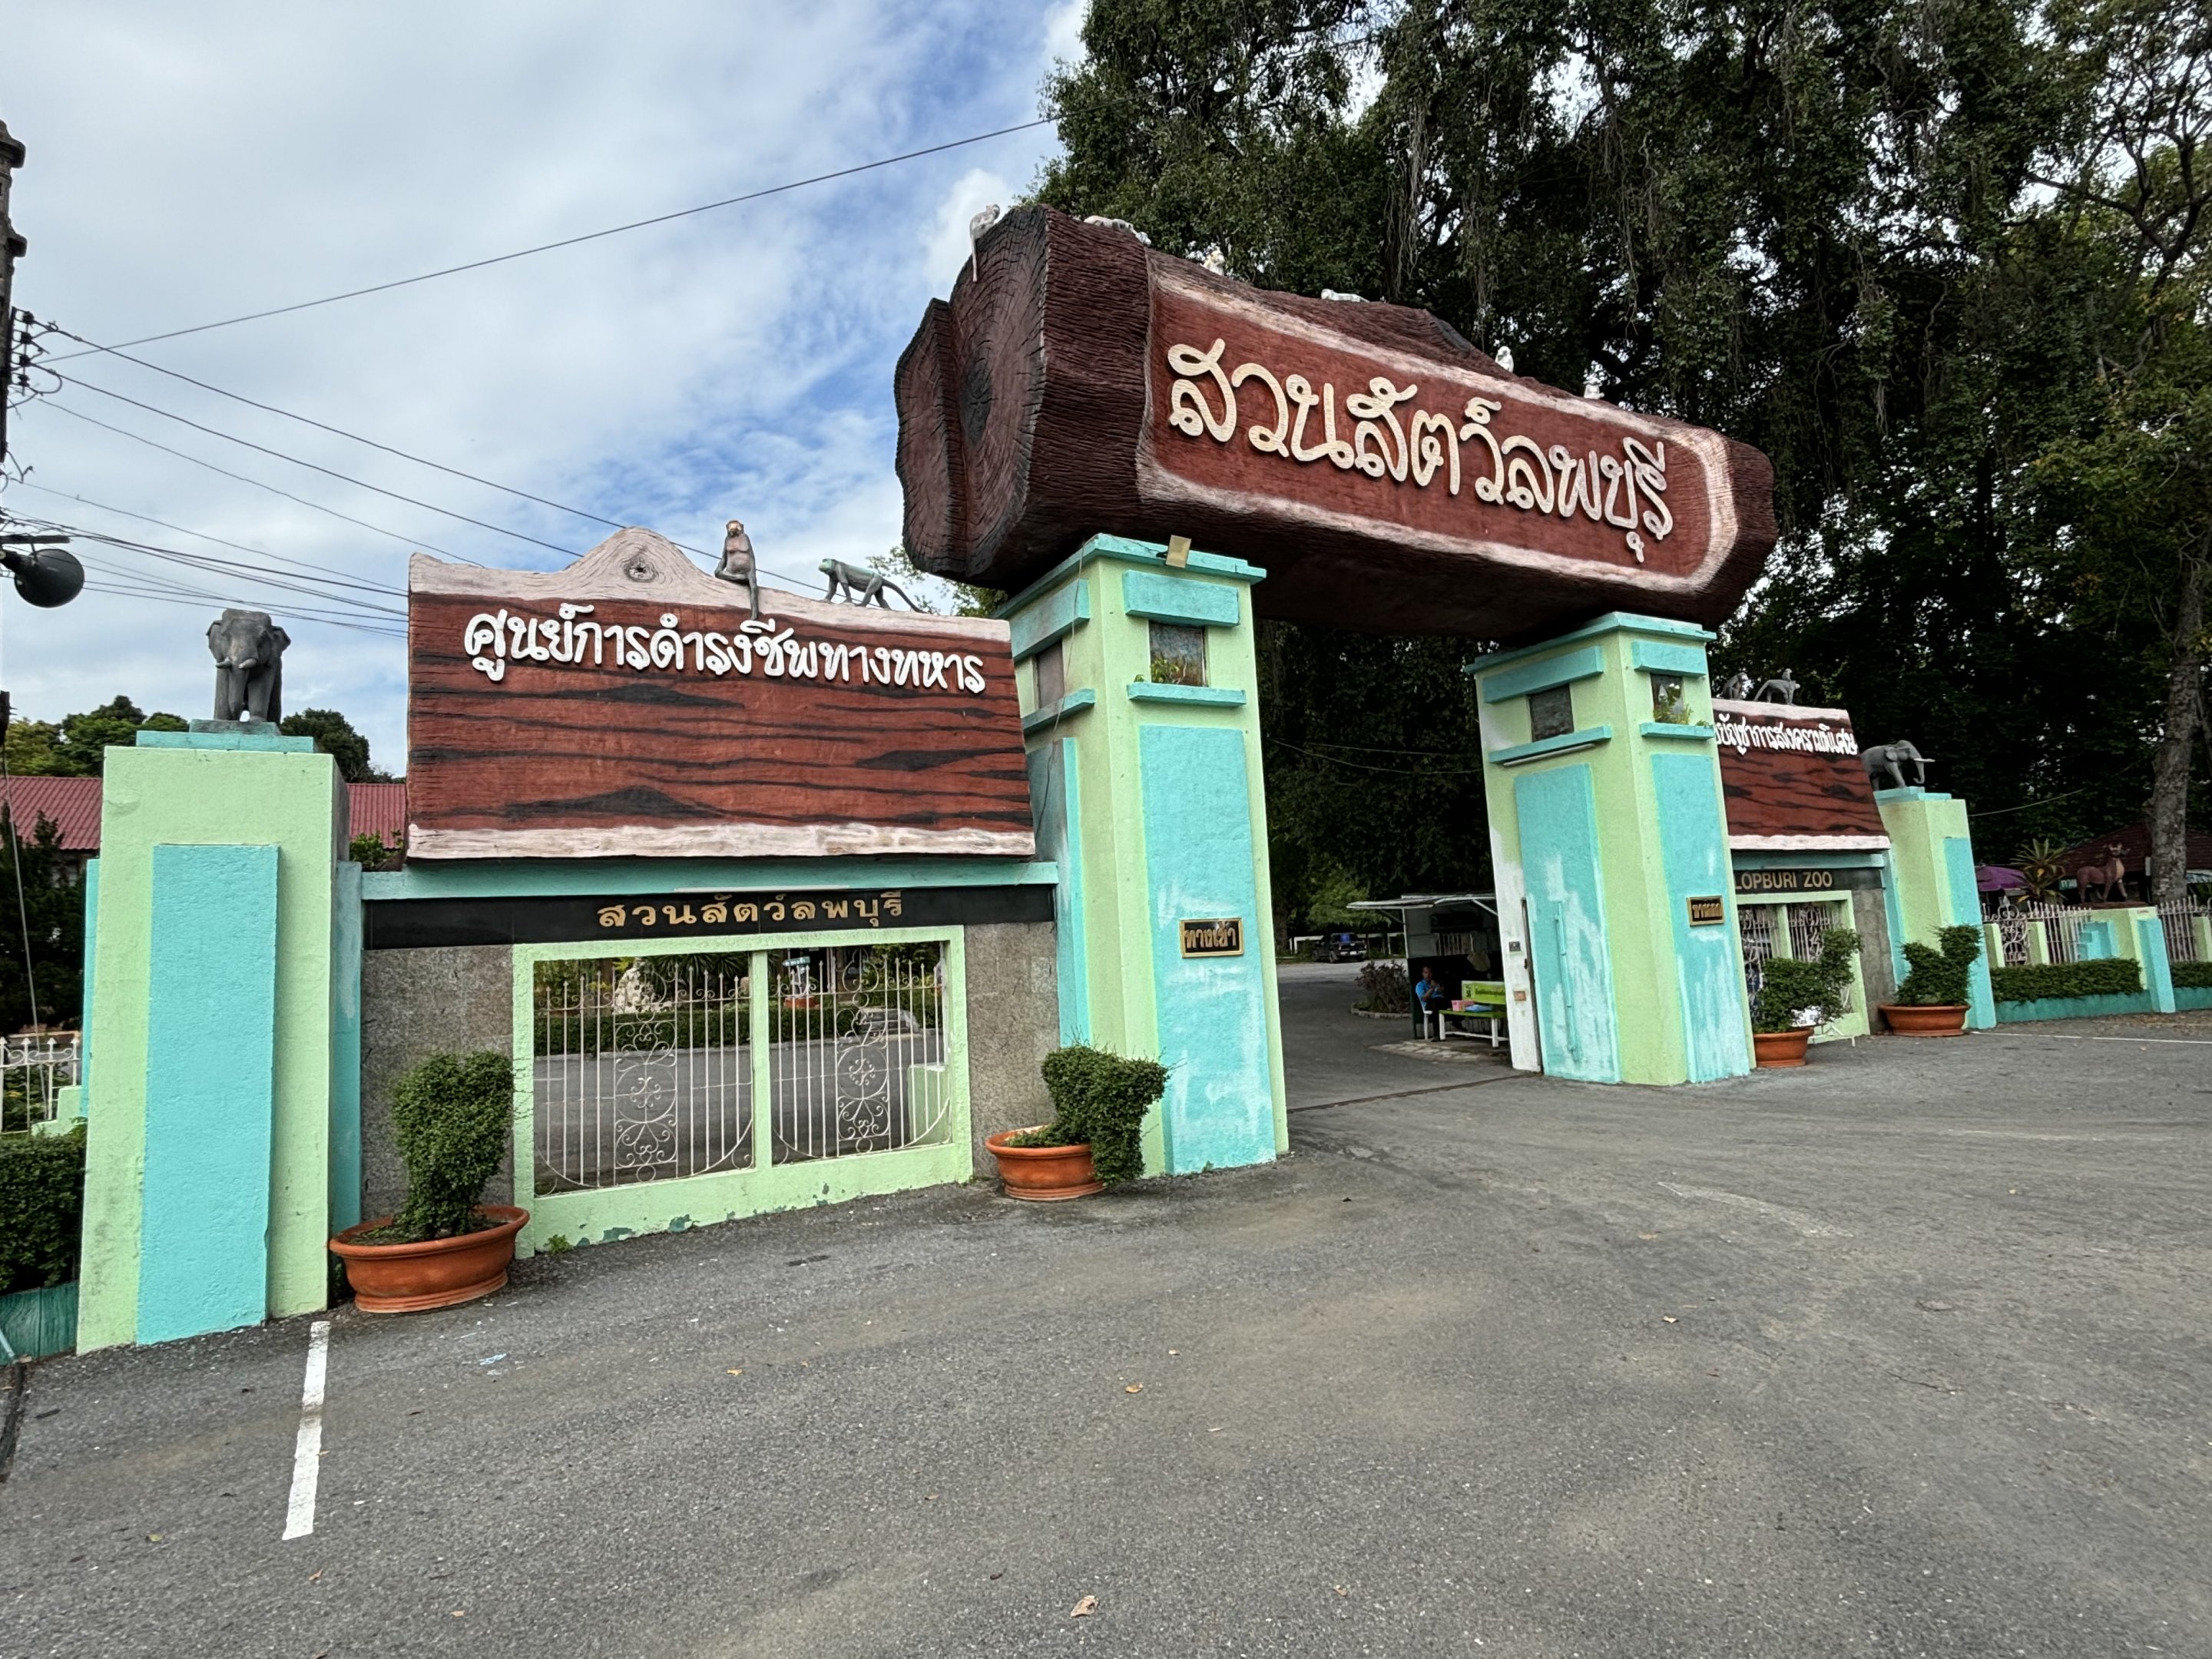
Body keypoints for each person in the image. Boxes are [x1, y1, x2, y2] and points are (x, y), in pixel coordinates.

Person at [1412, 964, 1445, 1034]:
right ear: (1423, 974)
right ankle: (1436, 1033)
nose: (1428, 975)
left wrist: (1438, 987)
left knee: (1451, 1003)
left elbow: (1442, 994)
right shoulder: (1420, 985)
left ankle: (1456, 1024)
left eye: (1430, 973)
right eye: (1426, 973)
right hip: (1428, 1004)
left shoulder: (1435, 983)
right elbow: (1424, 998)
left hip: (1439, 1001)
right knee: (1435, 1006)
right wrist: (1432, 988)